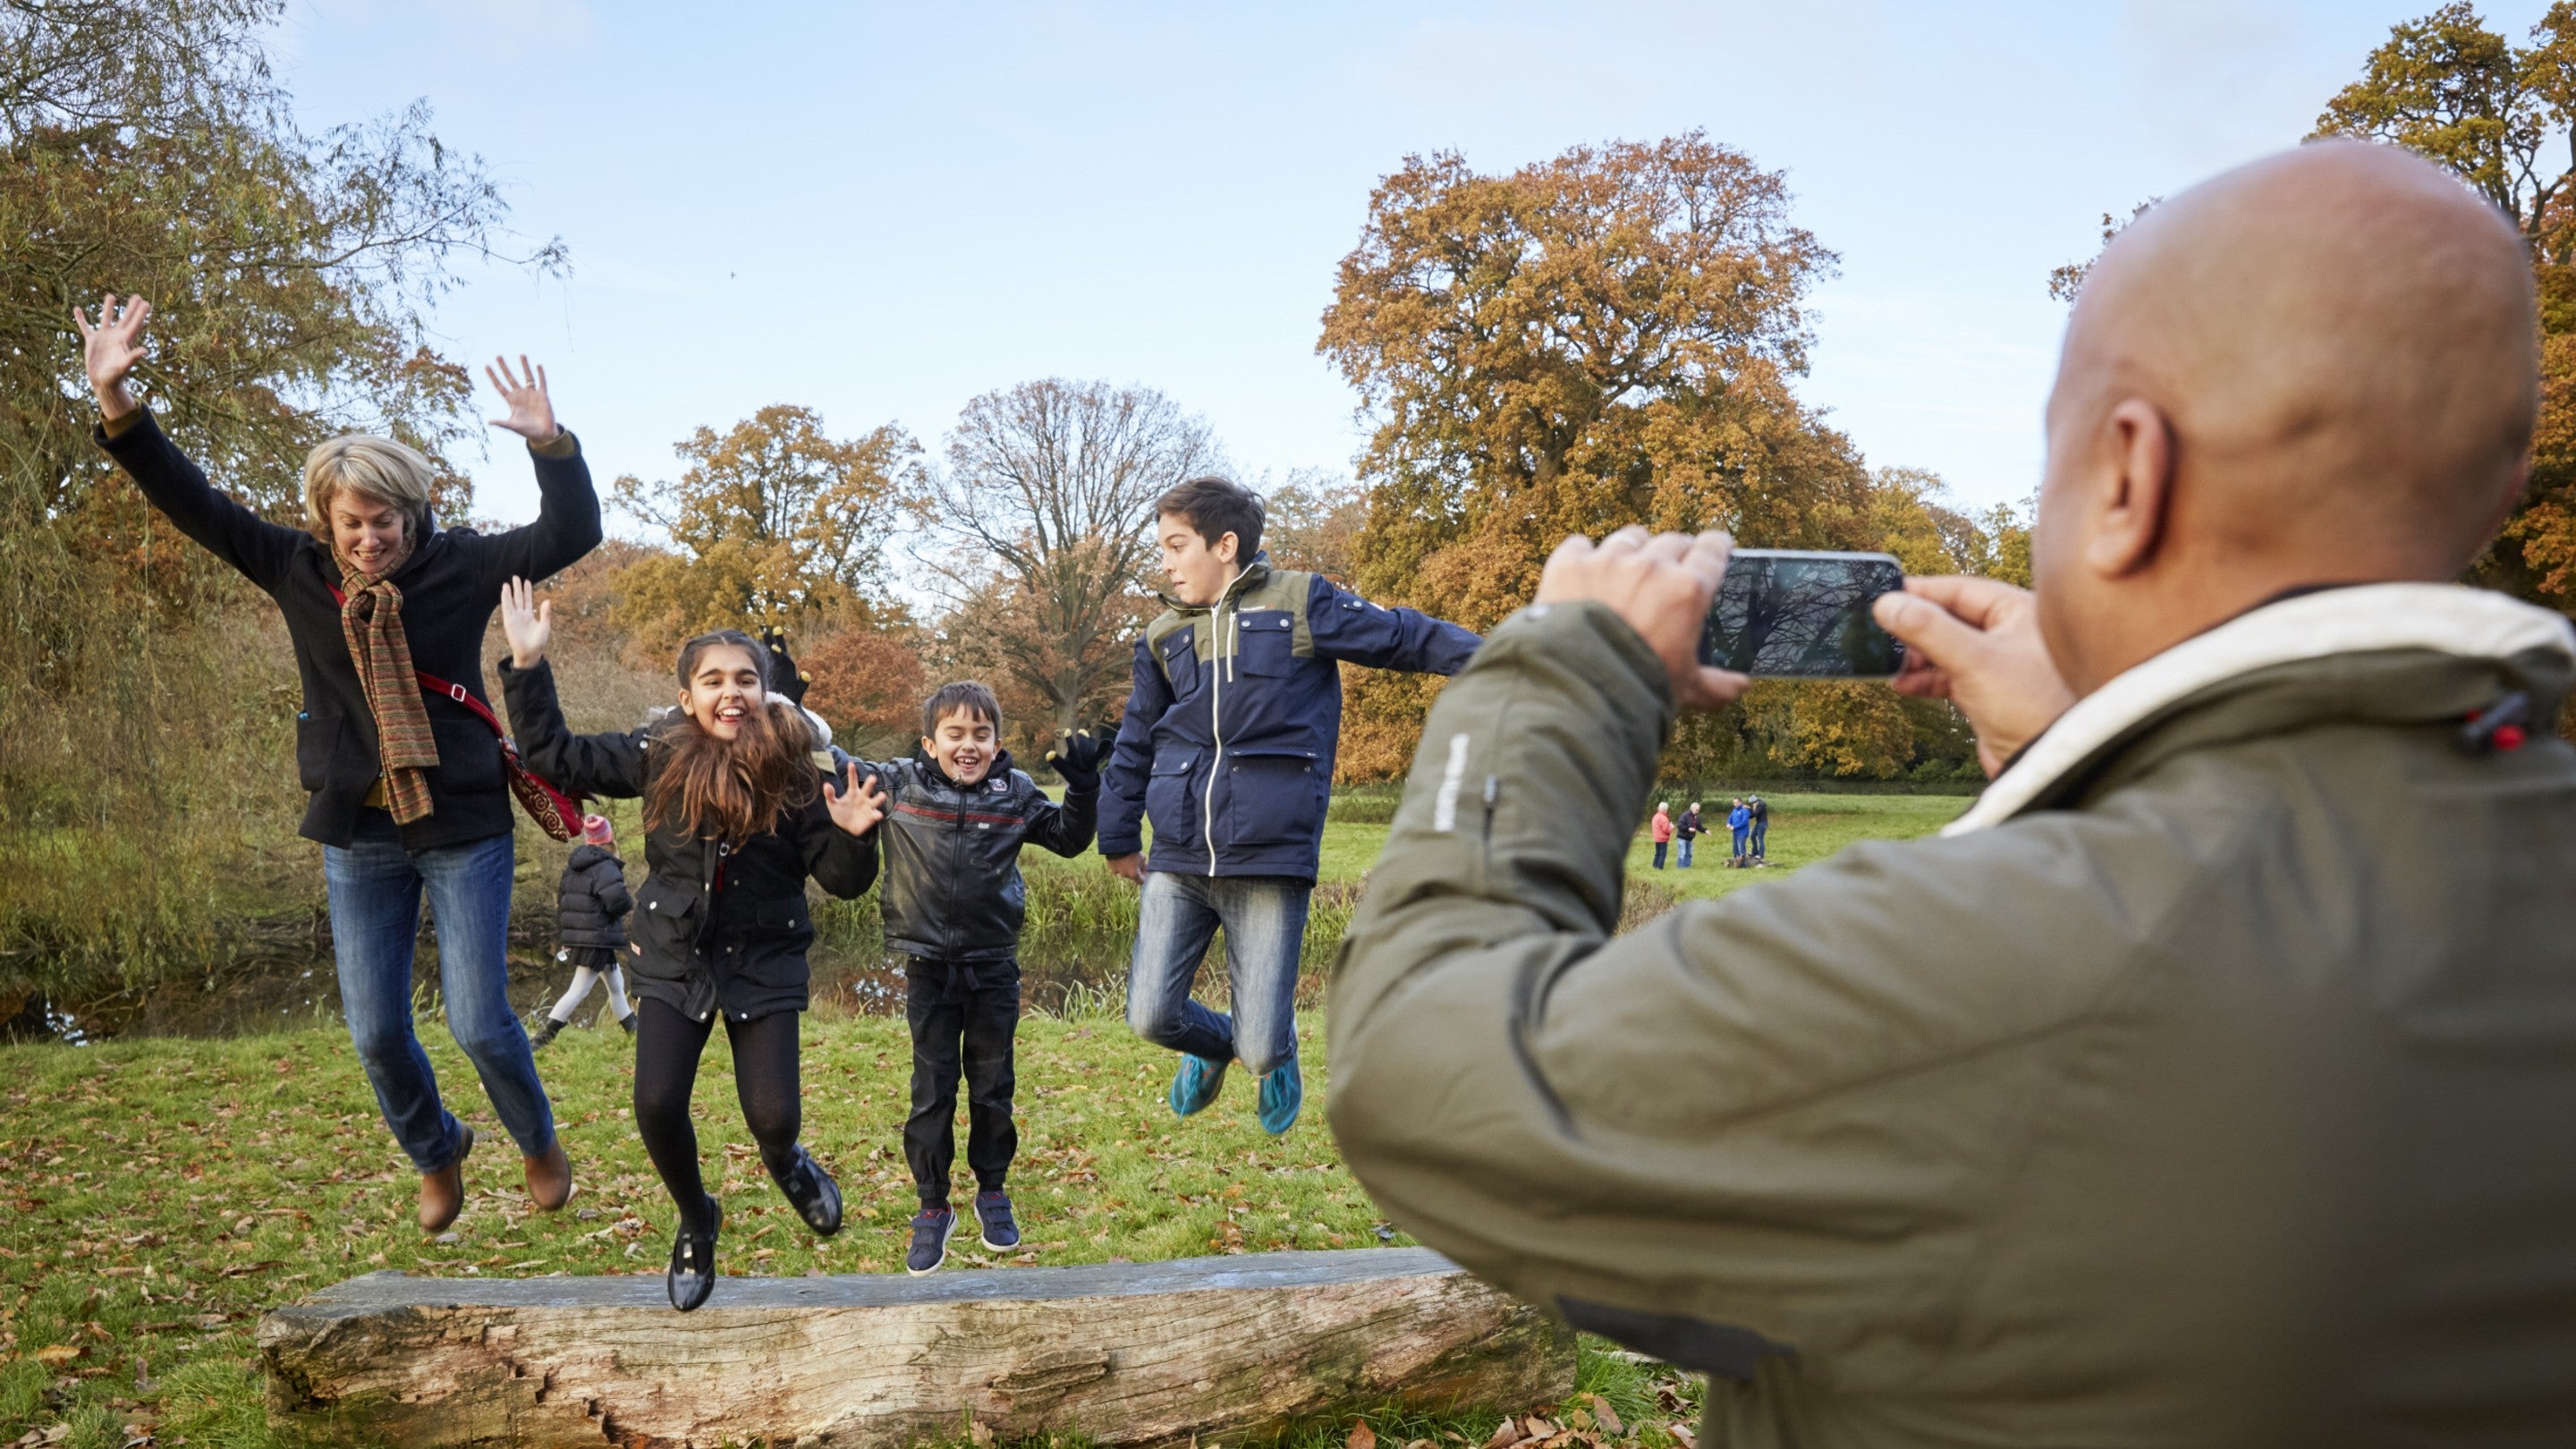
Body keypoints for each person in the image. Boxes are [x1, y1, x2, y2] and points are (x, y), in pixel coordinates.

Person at [1326, 141, 2576, 1444]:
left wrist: (1563, 676)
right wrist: (2097, 753)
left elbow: (1424, 1066)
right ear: (2495, 488)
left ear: (2131, 477)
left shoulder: (1977, 975)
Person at [76, 296, 597, 1233]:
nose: (369, 540)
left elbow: (569, 537)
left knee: (480, 1021)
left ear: (415, 512)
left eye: (387, 521)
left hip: (462, 825)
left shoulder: (465, 568)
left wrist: (550, 446)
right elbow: (188, 500)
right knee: (376, 1032)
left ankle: (538, 1141)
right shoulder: (294, 571)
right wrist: (118, 399)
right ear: (325, 519)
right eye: (352, 523)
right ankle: (437, 1153)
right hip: (358, 830)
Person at [496, 581, 886, 1312]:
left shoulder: (798, 775)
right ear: (687, 698)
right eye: (713, 681)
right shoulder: (656, 756)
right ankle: (696, 1217)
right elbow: (554, 755)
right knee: (656, 1104)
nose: (731, 693)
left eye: (746, 680)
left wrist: (855, 835)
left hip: (765, 957)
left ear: (768, 696)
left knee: (773, 1116)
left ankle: (788, 1164)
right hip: (672, 955)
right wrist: (527, 665)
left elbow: (842, 882)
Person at [1100, 476, 1480, 1137]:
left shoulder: (1300, 603)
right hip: (1181, 854)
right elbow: (1136, 739)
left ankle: (1269, 1052)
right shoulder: (1163, 635)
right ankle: (1209, 1044)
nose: (1164, 561)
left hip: (1268, 855)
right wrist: (1117, 833)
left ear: (1224, 545)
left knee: (1261, 1047)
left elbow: (1403, 638)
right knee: (1150, 1016)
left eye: (1176, 544)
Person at [853, 682, 1102, 1275]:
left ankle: (992, 1188)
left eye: (982, 735)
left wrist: (1086, 786)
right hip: (926, 968)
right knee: (931, 1091)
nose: (969, 745)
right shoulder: (899, 784)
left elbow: (1069, 840)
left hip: (992, 964)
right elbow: (826, 762)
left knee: (992, 1088)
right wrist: (787, 711)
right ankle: (933, 1206)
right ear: (930, 742)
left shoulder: (1013, 792)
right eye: (956, 734)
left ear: (997, 741)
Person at [532, 814, 637, 1047]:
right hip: (596, 938)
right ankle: (541, 1039)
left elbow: (563, 906)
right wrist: (629, 904)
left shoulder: (573, 868)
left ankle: (636, 1034)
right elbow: (618, 902)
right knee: (578, 990)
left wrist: (566, 938)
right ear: (608, 840)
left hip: (584, 937)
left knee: (616, 985)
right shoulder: (606, 866)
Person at [1676, 801, 1702, 869]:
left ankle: (1687, 867)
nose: (1698, 811)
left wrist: (1705, 830)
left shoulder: (1696, 817)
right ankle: (1681, 867)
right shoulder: (1685, 815)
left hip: (1690, 838)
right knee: (1682, 854)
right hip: (1682, 838)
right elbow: (1679, 825)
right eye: (1697, 810)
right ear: (1692, 808)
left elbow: (1699, 826)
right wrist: (1688, 829)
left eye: (1698, 810)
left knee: (1689, 854)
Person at [1649, 802, 1674, 869]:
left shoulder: (1655, 816)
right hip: (1663, 839)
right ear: (1665, 809)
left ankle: (1654, 866)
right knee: (1662, 854)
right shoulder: (1663, 818)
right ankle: (1660, 868)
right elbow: (1666, 829)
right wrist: (1671, 827)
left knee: (1657, 853)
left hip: (1656, 838)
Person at [1726, 796, 1750, 867]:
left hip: (1742, 833)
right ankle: (1737, 864)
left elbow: (1744, 822)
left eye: (1736, 803)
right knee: (1735, 849)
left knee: (1741, 849)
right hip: (1735, 832)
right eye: (1734, 803)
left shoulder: (1745, 810)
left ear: (1740, 802)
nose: (1735, 804)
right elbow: (1730, 817)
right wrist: (1728, 823)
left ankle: (1743, 865)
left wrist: (1734, 827)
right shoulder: (1734, 810)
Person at [1747, 792, 1770, 863]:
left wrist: (1749, 808)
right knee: (1752, 836)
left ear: (1755, 801)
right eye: (1751, 803)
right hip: (1758, 823)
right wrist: (1746, 816)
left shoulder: (1761, 805)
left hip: (1763, 823)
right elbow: (1752, 815)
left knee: (1760, 838)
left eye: (1753, 803)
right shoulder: (1755, 805)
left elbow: (1756, 813)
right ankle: (1754, 852)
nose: (1752, 804)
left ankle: (1761, 854)